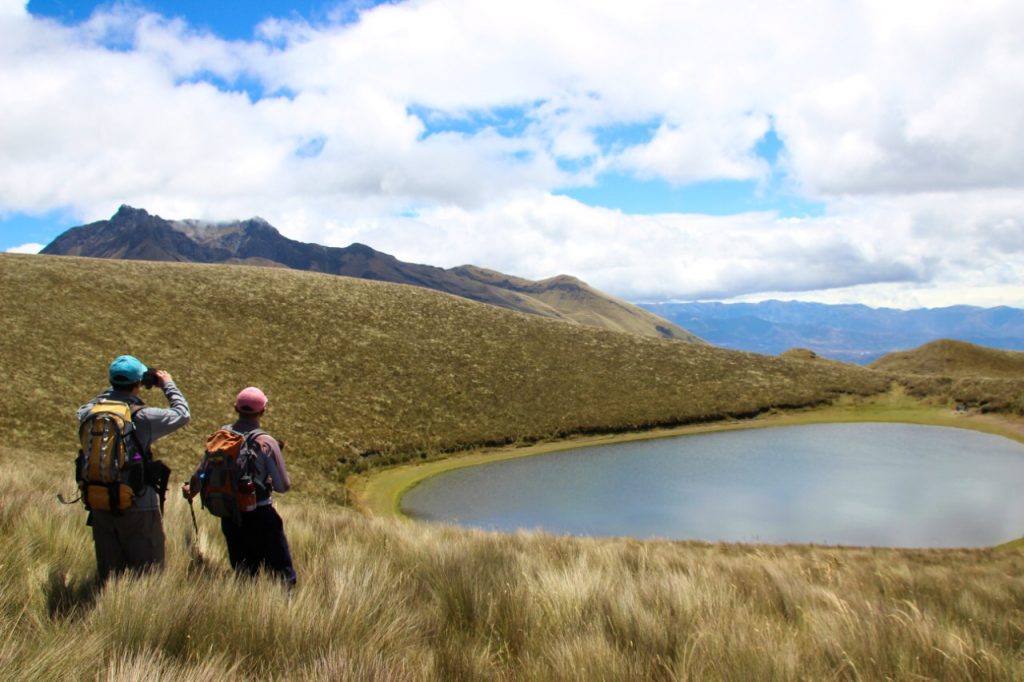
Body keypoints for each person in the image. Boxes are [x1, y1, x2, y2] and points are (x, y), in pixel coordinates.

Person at [78, 355, 190, 582]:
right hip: (139, 504)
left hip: (99, 501)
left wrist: (112, 391)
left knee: (109, 577)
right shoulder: (144, 416)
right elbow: (182, 414)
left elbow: (90, 404)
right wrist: (167, 384)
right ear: (139, 383)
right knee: (148, 576)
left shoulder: (88, 412)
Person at [184, 386, 296, 587]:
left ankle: (245, 608)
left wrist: (191, 490)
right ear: (262, 411)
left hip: (230, 514)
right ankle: (281, 611)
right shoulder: (266, 442)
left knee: (243, 572)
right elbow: (283, 486)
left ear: (236, 408)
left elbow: (202, 470)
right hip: (260, 514)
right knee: (282, 573)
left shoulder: (221, 438)